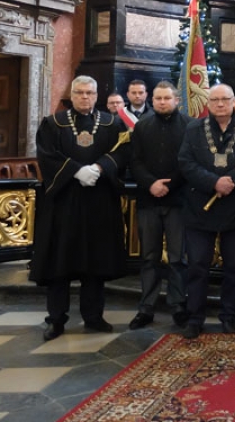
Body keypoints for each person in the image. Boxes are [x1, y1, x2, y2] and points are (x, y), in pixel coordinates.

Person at [30, 75, 130, 340]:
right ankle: (56, 318)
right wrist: (76, 172)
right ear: (71, 95)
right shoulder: (53, 124)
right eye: (80, 92)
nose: (85, 97)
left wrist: (99, 167)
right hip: (64, 202)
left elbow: (123, 153)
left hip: (99, 201)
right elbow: (47, 155)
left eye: (90, 93)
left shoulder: (112, 123)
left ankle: (94, 316)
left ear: (97, 96)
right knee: (59, 261)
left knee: (95, 259)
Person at [177, 84, 235, 339]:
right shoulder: (193, 128)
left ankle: (229, 316)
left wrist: (231, 181)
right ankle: (195, 317)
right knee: (197, 266)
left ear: (233, 101)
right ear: (209, 103)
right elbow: (185, 162)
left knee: (234, 267)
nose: (219, 104)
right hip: (199, 208)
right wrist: (213, 182)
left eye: (224, 99)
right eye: (214, 100)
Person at [128, 81, 191, 330]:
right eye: (158, 98)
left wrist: (169, 184)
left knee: (178, 258)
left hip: (178, 201)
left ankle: (178, 305)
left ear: (177, 100)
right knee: (149, 257)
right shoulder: (142, 126)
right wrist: (151, 183)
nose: (162, 102)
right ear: (152, 101)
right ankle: (146, 308)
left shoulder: (189, 126)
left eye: (167, 98)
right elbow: (134, 161)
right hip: (148, 200)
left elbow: (188, 161)